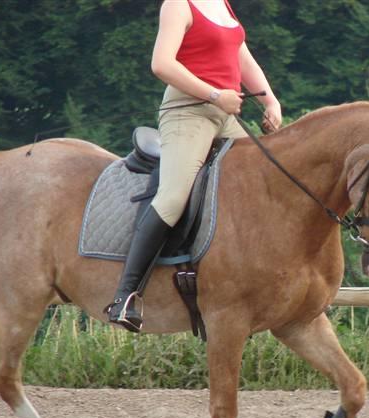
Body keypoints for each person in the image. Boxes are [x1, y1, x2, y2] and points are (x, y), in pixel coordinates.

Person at [105, 0, 282, 332]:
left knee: (266, 184)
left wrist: (269, 99)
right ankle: (126, 297)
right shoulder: (178, 5)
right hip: (188, 111)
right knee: (173, 198)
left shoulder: (222, 5)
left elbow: (241, 56)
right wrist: (216, 95)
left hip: (226, 115)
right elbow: (161, 64)